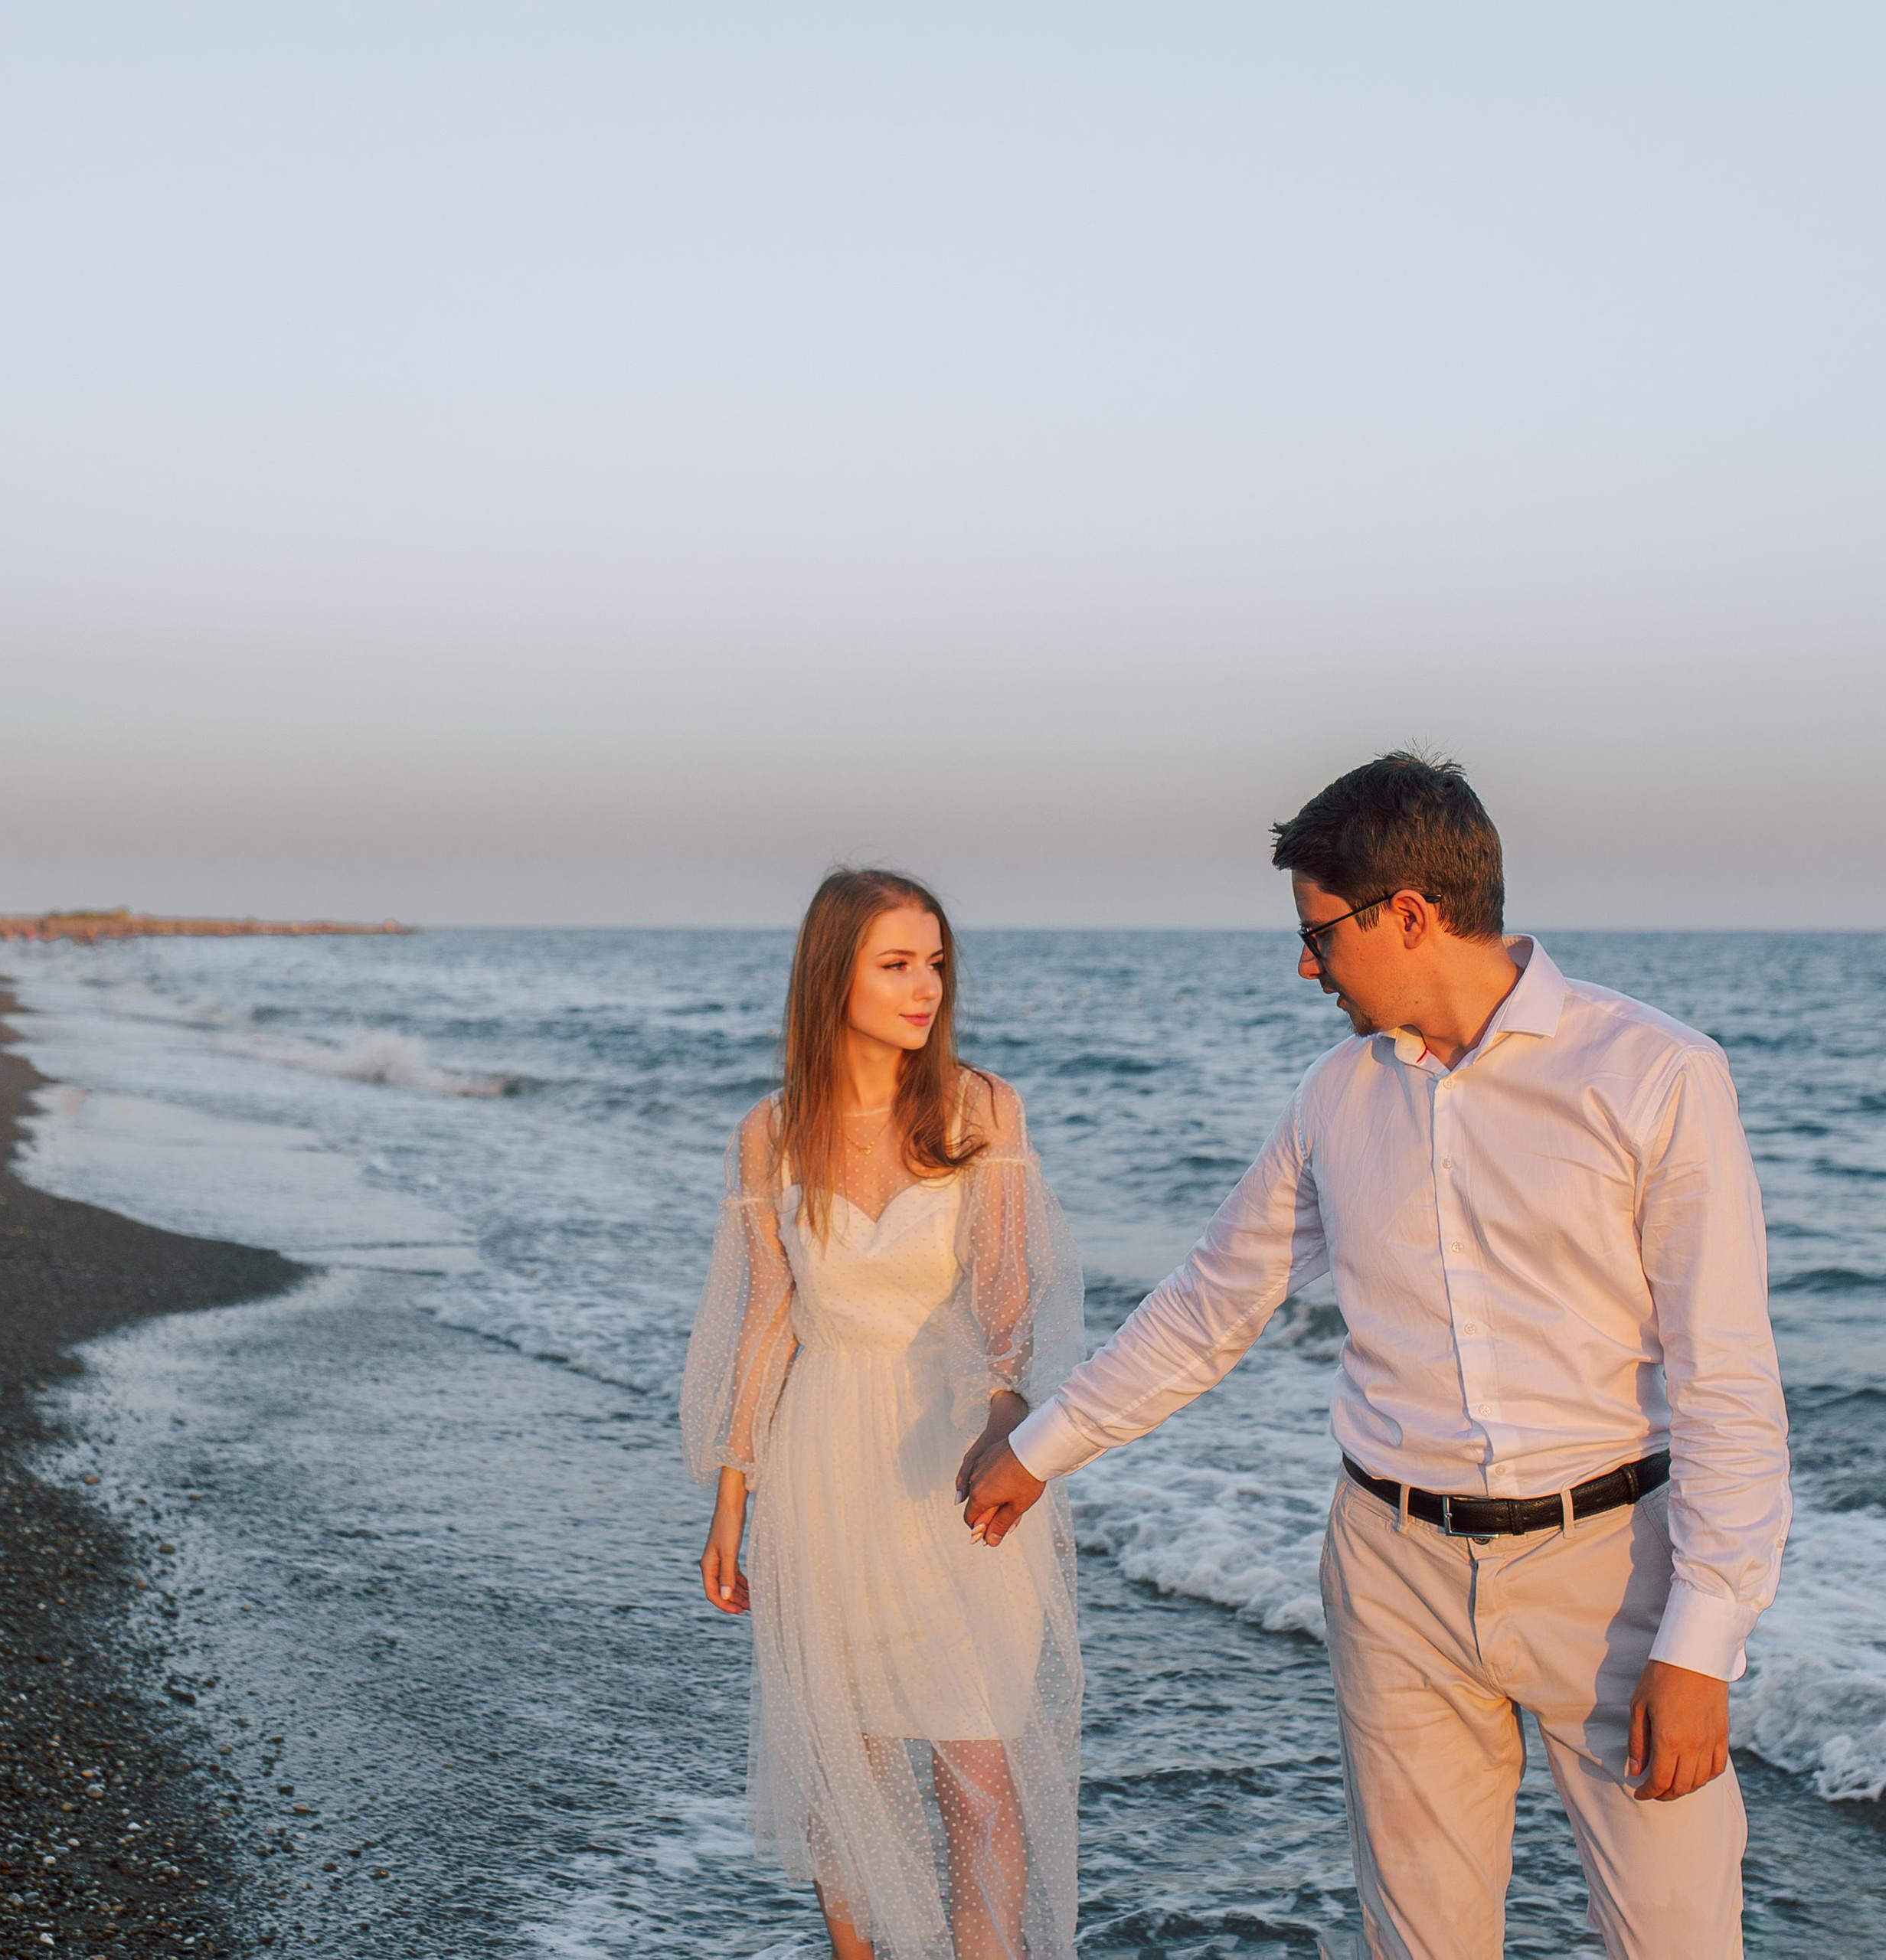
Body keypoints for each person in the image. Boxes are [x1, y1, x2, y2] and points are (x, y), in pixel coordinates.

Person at [963, 753, 1790, 1960]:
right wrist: (1039, 1449)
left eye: (1319, 932)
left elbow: (1728, 1379)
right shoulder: (1334, 1097)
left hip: (1614, 1572)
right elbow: (1210, 1305)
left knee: (1677, 1940)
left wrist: (1703, 1646)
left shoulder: (1657, 1075)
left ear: (1410, 914)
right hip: (1391, 1568)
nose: (1307, 966)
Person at [682, 867, 1085, 1960]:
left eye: (937, 963)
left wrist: (1010, 1428)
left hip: (952, 1458)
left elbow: (1014, 1300)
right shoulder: (771, 1135)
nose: (926, 988)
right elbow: (767, 1321)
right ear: (835, 973)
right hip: (824, 1468)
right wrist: (732, 1498)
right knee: (849, 1778)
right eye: (897, 963)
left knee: (979, 1771)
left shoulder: (981, 1109)